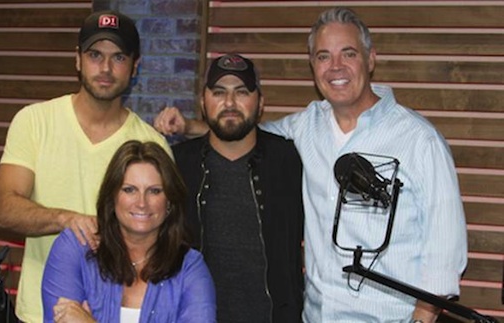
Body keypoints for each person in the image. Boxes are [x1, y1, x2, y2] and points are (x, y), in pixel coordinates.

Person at [154, 7, 467, 323]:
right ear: (313, 66)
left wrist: (421, 319)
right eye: (323, 56)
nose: (335, 67)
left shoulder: (419, 140)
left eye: (348, 54)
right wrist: (192, 128)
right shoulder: (306, 127)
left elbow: (446, 251)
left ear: (371, 59)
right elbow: (245, 132)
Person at [0, 10, 171, 322]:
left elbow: (164, 240)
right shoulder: (34, 122)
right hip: (38, 312)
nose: (105, 68)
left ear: (135, 66)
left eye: (118, 57)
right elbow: (5, 209)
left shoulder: (152, 145)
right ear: (77, 59)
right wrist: (66, 219)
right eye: (94, 55)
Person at [160, 53, 304, 322]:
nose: (229, 103)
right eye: (218, 92)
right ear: (203, 102)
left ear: (260, 102)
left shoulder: (290, 161)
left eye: (241, 92)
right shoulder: (177, 165)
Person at [41, 140, 216, 323]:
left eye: (155, 191)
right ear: (113, 197)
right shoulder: (75, 247)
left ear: (169, 203)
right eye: (129, 190)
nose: (141, 203)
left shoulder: (190, 268)